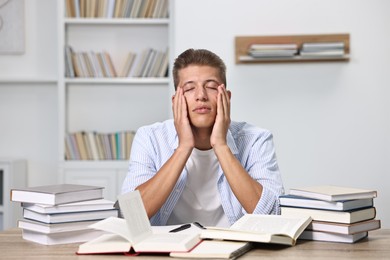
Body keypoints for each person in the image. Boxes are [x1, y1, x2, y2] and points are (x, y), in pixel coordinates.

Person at [122, 48, 284, 227]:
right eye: (190, 88)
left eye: (212, 87)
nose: (201, 96)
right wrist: (183, 148)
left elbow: (272, 215)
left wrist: (221, 146)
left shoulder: (256, 140)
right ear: (176, 101)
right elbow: (131, 215)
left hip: (234, 250)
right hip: (169, 250)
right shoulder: (150, 138)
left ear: (227, 98)